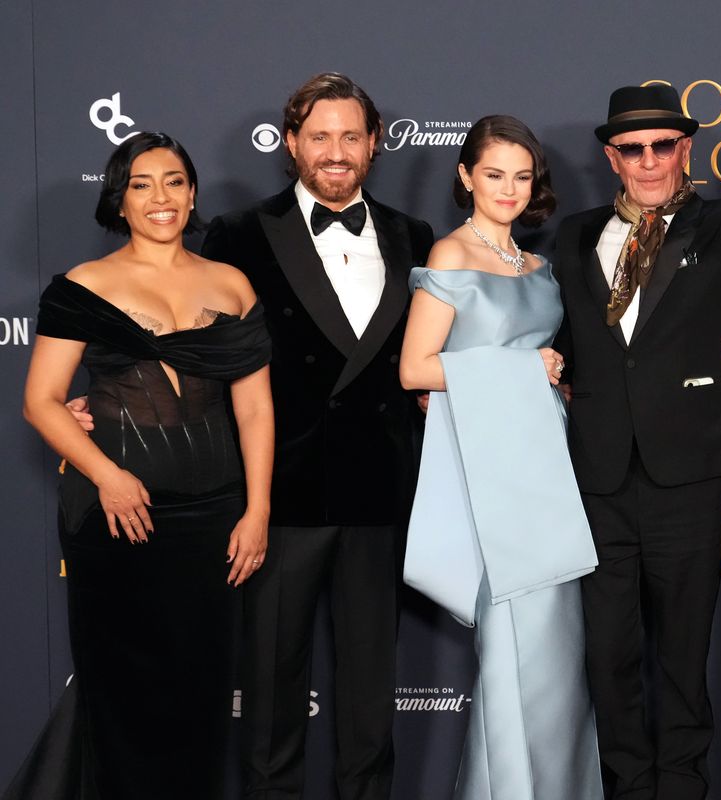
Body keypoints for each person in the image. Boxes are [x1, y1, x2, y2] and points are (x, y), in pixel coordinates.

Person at [553, 83, 721, 799]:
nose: (651, 161)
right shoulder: (574, 234)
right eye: (634, 149)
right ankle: (627, 787)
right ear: (612, 156)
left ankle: (683, 788)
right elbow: (565, 333)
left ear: (685, 148)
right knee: (608, 655)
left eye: (664, 145)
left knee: (683, 657)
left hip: (688, 475)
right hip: (598, 474)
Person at [10, 131, 272, 800]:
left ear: (192, 194)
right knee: (125, 696)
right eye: (142, 184)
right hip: (117, 519)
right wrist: (108, 476)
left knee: (202, 696)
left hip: (214, 519)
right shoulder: (82, 286)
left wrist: (258, 510)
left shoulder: (232, 285)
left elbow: (254, 412)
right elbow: (41, 403)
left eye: (175, 181)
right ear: (119, 201)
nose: (162, 197)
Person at [200, 73, 434, 799]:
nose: (336, 152)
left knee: (370, 698)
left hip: (378, 495)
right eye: (321, 136)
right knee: (270, 695)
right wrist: (110, 408)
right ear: (292, 143)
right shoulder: (238, 235)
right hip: (278, 499)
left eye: (351, 137)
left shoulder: (412, 235)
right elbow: (200, 358)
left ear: (375, 144)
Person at [399, 115, 603, 800]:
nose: (509, 189)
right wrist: (522, 370)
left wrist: (551, 381)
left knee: (555, 653)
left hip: (545, 463)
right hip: (490, 473)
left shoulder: (540, 268)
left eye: (521, 176)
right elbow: (416, 369)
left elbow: (543, 367)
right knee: (514, 647)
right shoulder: (450, 255)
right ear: (465, 177)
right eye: (494, 175)